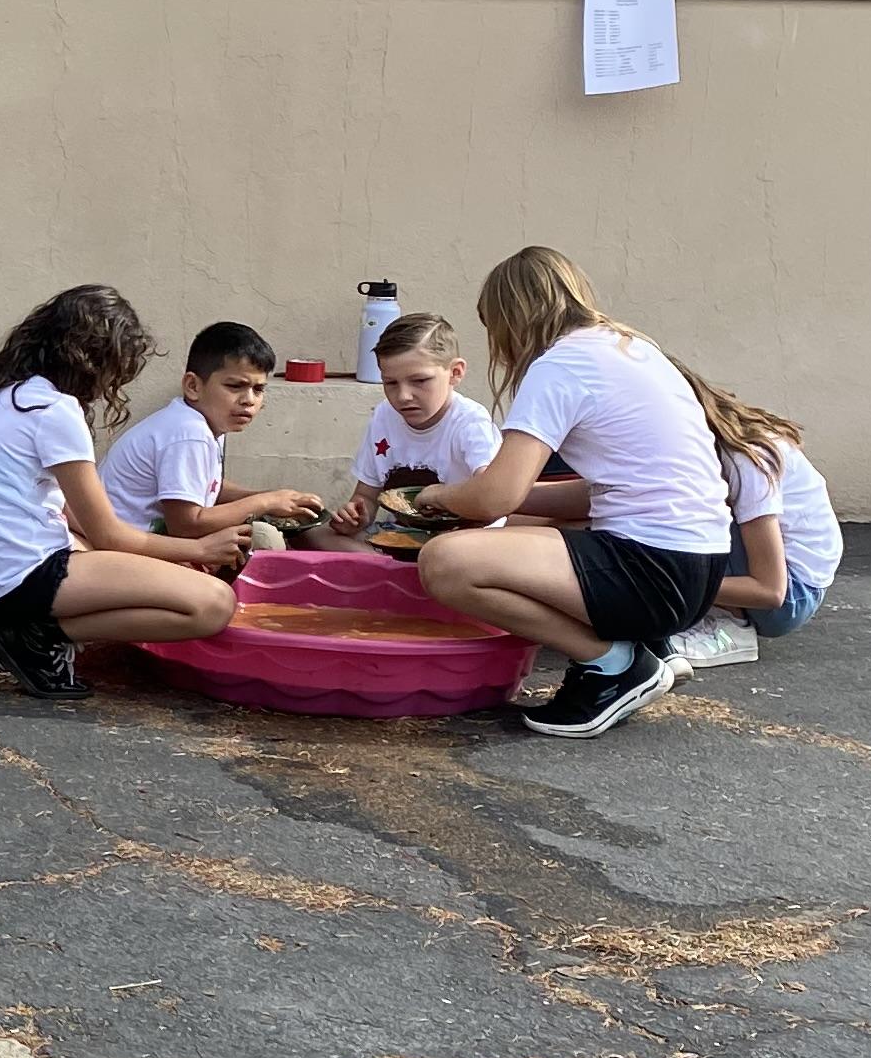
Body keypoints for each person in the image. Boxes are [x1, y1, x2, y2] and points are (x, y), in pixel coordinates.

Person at [408, 247, 736, 740]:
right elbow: (594, 494)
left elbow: (494, 496)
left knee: (446, 562)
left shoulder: (561, 365)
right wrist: (511, 499)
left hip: (653, 567)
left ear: (510, 318)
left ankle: (615, 664)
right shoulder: (633, 349)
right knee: (521, 538)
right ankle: (638, 650)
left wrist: (439, 496)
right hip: (701, 566)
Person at [0, 286, 245, 699]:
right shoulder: (55, 411)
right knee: (212, 604)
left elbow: (73, 513)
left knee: (144, 571)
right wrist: (200, 550)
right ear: (94, 360)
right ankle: (33, 635)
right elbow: (110, 537)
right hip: (19, 576)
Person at [663, 367, 841, 671]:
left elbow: (771, 591)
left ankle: (732, 625)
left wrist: (660, 582)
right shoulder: (714, 446)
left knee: (673, 514)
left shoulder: (746, 458)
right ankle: (707, 609)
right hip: (781, 585)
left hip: (789, 596)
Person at [100, 323, 334, 543]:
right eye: (235, 386)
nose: (249, 400)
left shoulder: (206, 423)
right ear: (193, 386)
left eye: (258, 389)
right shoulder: (189, 432)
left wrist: (274, 498)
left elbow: (210, 487)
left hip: (150, 541)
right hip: (125, 546)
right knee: (264, 547)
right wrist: (265, 502)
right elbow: (186, 525)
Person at [339, 312, 506, 532]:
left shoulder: (470, 423)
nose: (403, 396)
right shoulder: (384, 415)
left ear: (455, 373)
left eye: (419, 380)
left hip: (462, 538)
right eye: (390, 383)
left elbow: (491, 496)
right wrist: (355, 517)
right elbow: (366, 495)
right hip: (400, 534)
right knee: (317, 535)